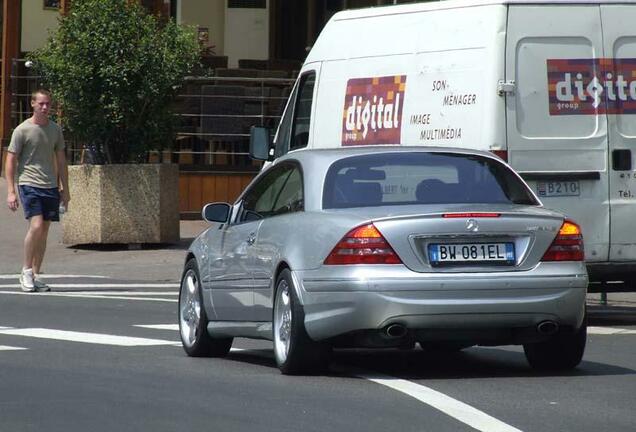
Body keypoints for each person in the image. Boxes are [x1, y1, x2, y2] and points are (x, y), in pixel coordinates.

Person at [5, 89, 70, 292]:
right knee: (36, 225)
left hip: (50, 185)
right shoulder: (22, 130)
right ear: (32, 104)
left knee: (44, 230)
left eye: (47, 104)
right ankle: (25, 271)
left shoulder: (55, 130)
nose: (44, 107)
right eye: (41, 103)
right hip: (29, 183)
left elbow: (61, 160)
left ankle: (34, 274)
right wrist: (11, 191)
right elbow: (10, 159)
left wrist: (65, 190)